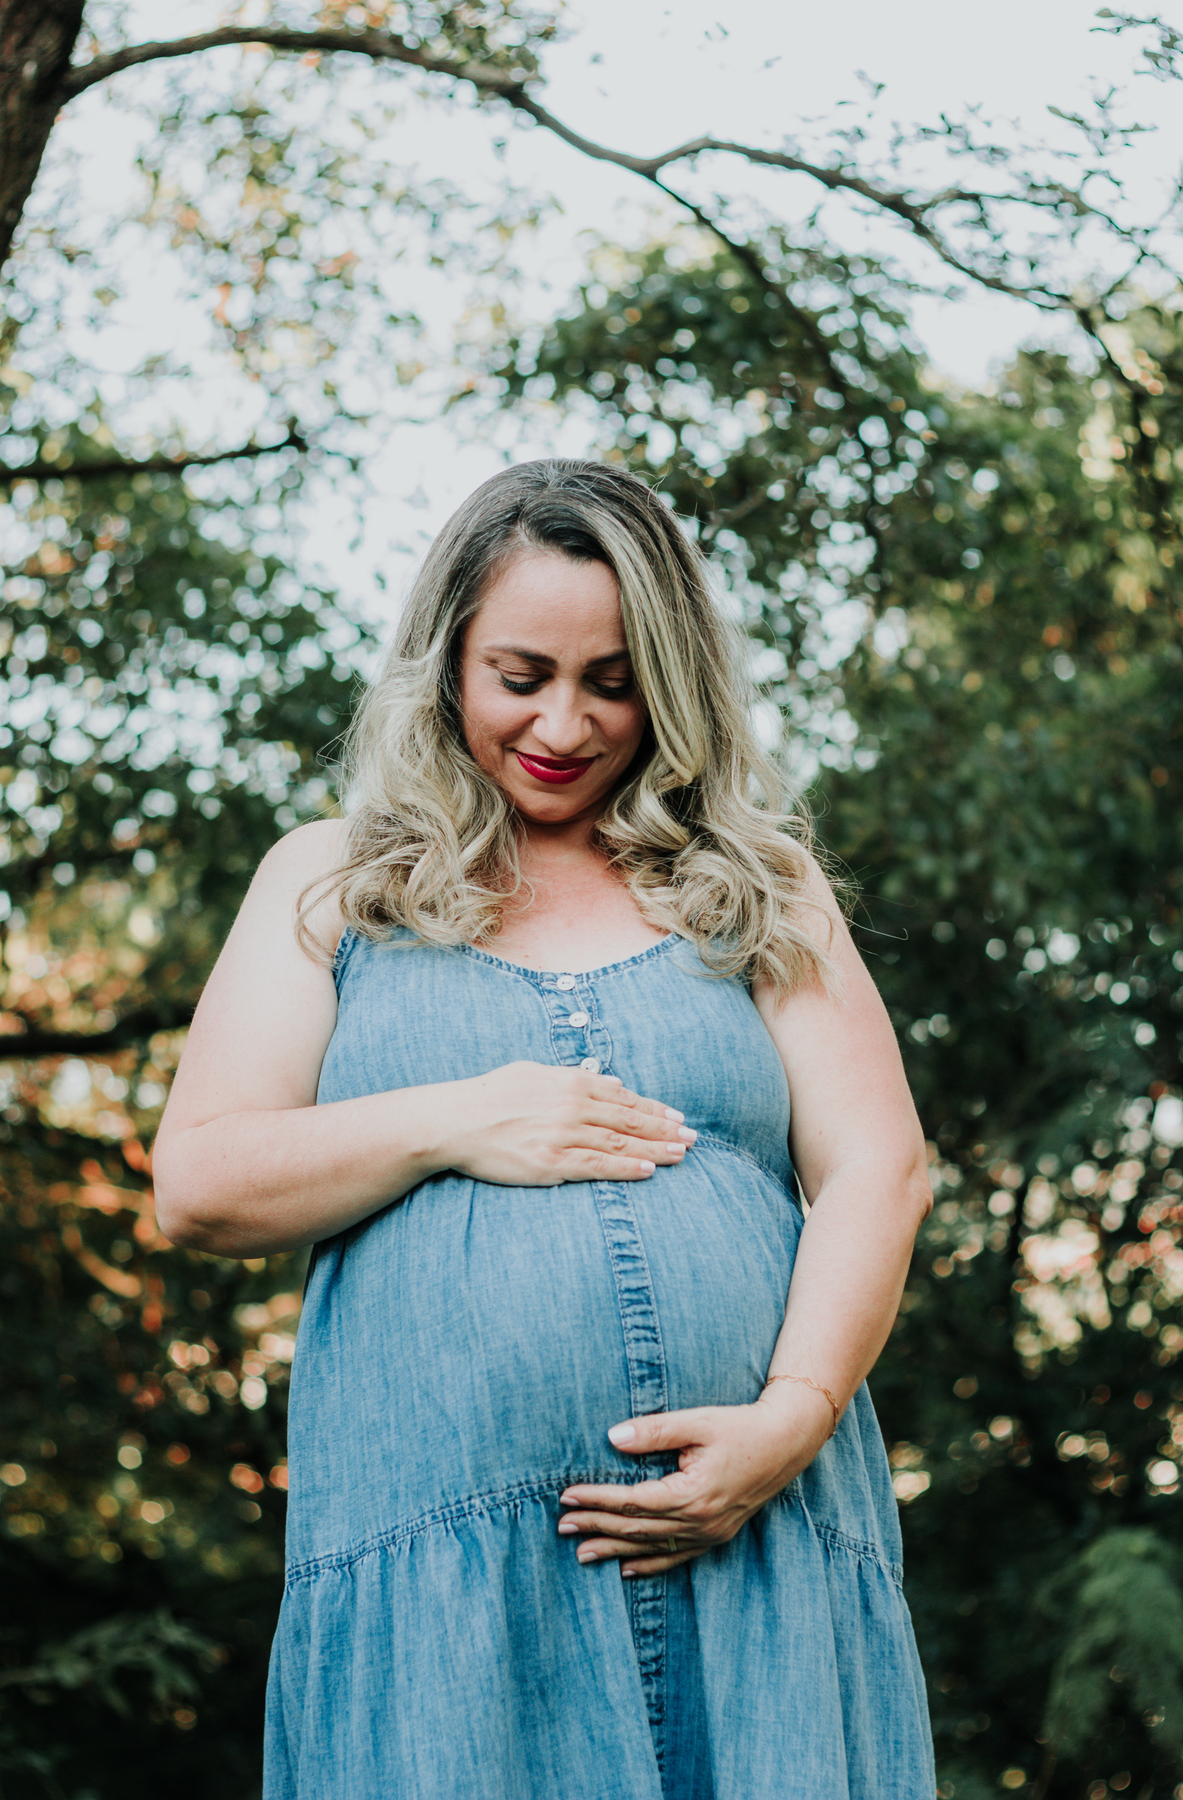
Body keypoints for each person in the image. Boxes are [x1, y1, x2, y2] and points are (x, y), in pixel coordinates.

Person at [154, 459, 937, 1799]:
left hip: (756, 1542)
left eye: (614, 681)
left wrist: (788, 1426)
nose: (565, 723)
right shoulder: (334, 880)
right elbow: (203, 1184)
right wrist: (460, 1118)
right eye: (521, 675)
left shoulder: (762, 889)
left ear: (672, 681)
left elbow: (880, 1168)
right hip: (445, 1586)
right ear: (447, 659)